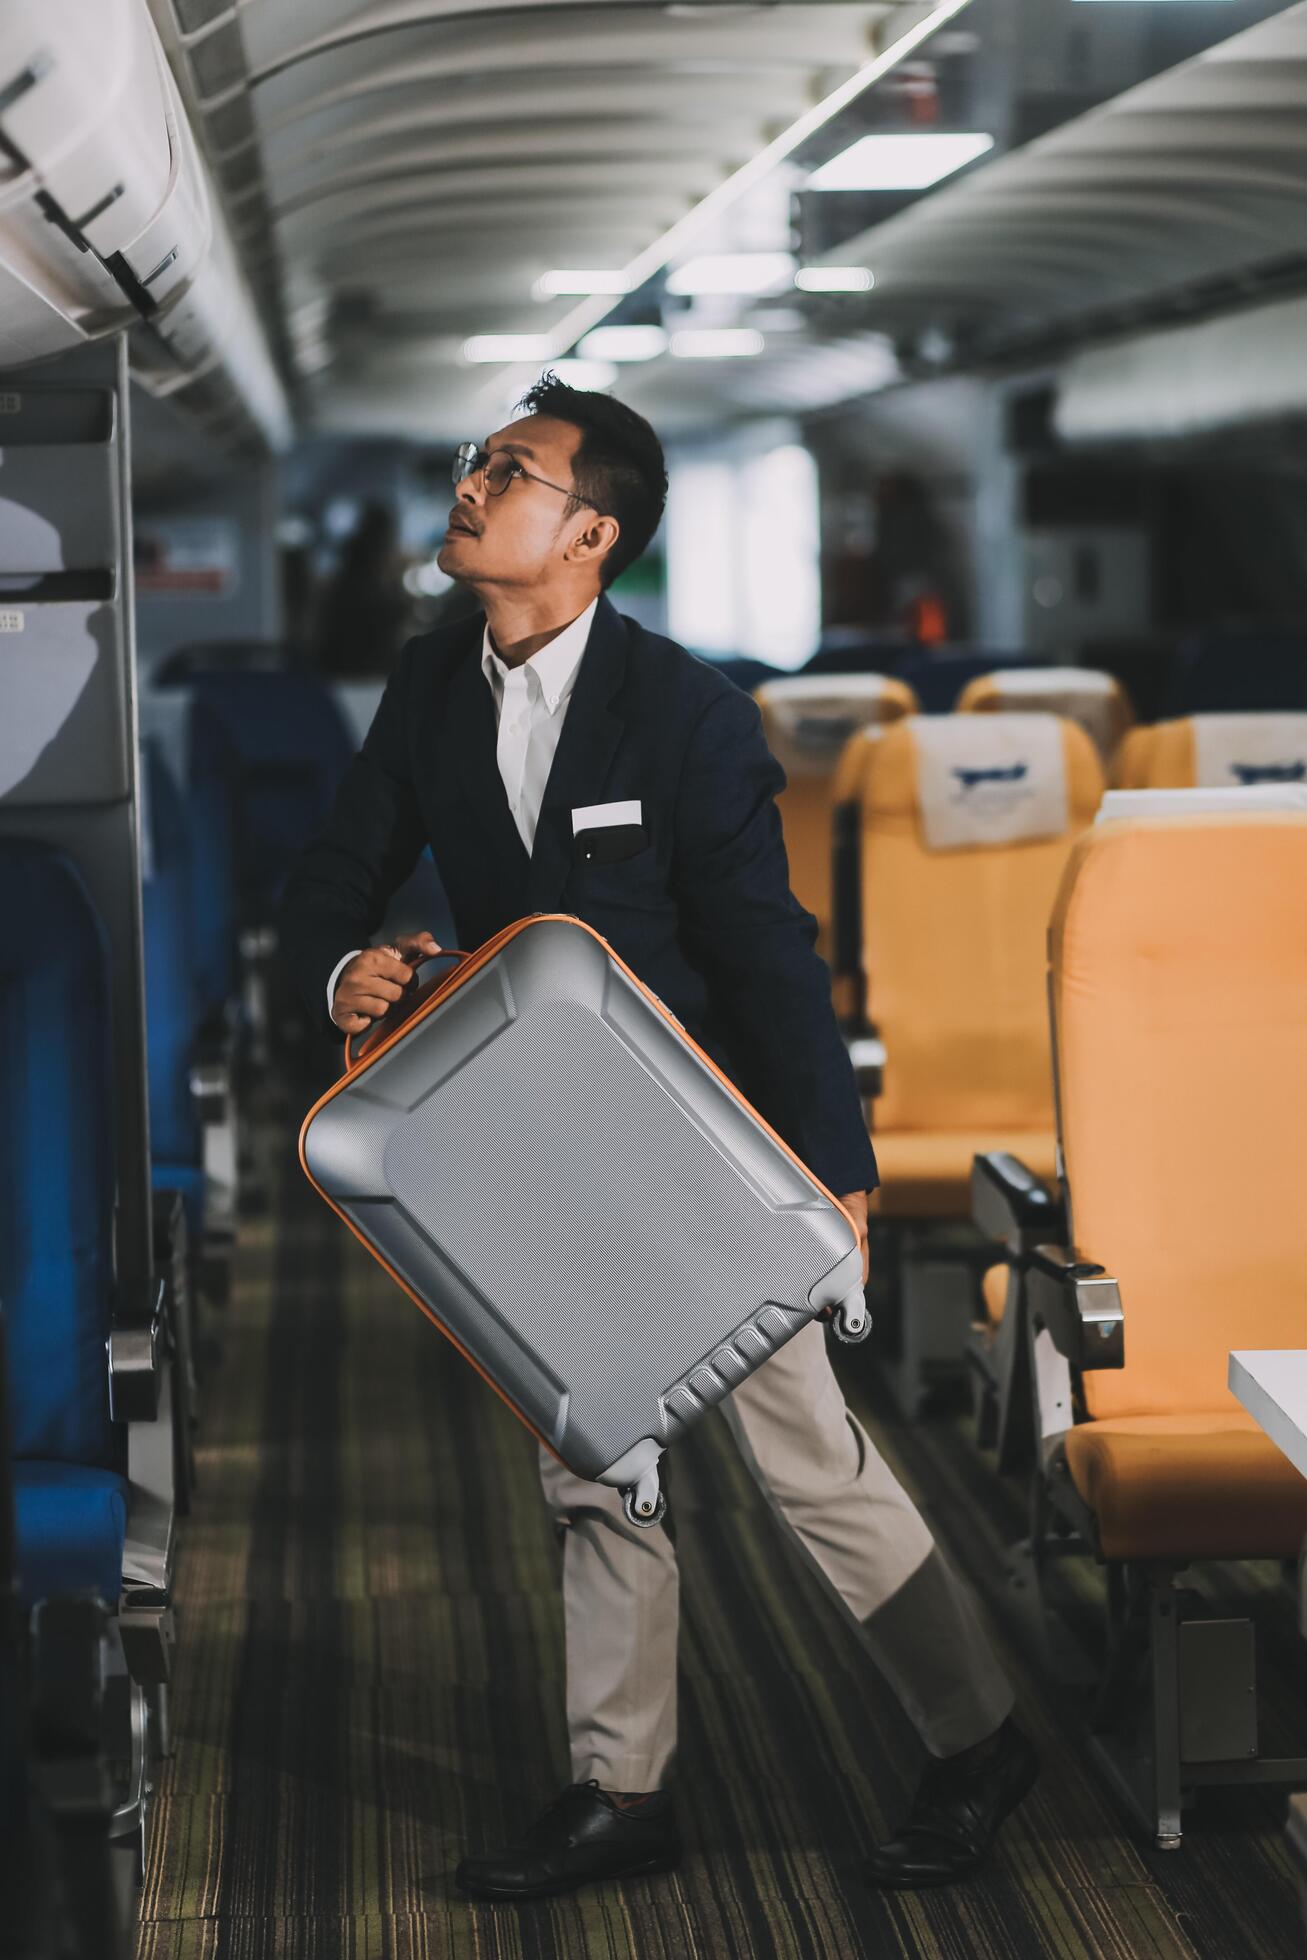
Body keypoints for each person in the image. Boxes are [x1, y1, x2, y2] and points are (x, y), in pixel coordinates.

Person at [277, 372, 1037, 1901]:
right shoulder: (433, 687)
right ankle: (623, 1787)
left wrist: (835, 1175)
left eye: (515, 470)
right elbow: (333, 876)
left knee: (809, 1460)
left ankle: (980, 1738)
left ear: (591, 535)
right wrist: (338, 967)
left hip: (702, 1144)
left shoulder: (684, 713)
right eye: (479, 459)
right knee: (594, 1466)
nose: (476, 483)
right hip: (534, 1141)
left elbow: (767, 954)